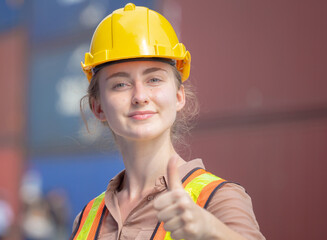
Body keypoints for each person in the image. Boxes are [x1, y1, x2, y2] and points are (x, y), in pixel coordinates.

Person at [71, 3, 265, 240]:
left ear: (178, 96)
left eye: (153, 79)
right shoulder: (88, 217)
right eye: (120, 84)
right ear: (97, 106)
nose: (140, 96)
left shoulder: (218, 199)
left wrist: (211, 231)